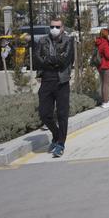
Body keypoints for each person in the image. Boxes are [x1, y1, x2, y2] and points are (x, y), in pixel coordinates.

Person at [33, 16, 75, 158]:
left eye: (57, 27)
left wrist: (49, 60)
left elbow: (65, 60)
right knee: (44, 114)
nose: (54, 29)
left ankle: (61, 144)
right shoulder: (42, 41)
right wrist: (53, 61)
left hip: (61, 82)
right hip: (46, 81)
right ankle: (56, 135)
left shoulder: (68, 41)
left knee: (62, 114)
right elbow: (37, 60)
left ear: (62, 28)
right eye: (52, 26)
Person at [95, 28, 109, 108]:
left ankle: (105, 101)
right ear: (106, 35)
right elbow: (108, 55)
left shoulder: (99, 42)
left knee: (103, 84)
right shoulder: (105, 43)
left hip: (100, 65)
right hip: (107, 65)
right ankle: (106, 102)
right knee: (106, 84)